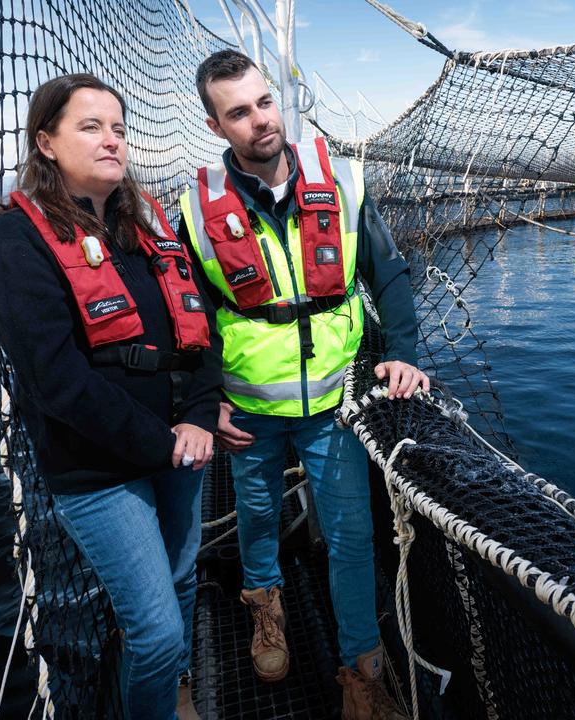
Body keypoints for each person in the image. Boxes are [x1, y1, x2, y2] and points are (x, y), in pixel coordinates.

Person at [179, 50, 428, 720]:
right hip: (249, 409)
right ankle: (266, 611)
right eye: (239, 112)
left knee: (352, 536)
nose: (259, 120)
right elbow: (191, 317)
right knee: (257, 515)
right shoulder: (198, 207)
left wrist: (403, 352)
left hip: (334, 403)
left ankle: (362, 671)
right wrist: (208, 404)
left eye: (264, 103)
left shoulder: (341, 182)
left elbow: (390, 274)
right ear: (215, 124)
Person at [0, 73, 221, 720]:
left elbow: (199, 328)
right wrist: (164, 441)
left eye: (117, 127)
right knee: (155, 627)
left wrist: (199, 415)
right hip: (98, 469)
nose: (112, 139)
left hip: (180, 446)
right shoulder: (14, 239)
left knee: (182, 580)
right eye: (90, 126)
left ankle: (176, 687)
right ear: (46, 143)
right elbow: (53, 377)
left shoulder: (143, 226)